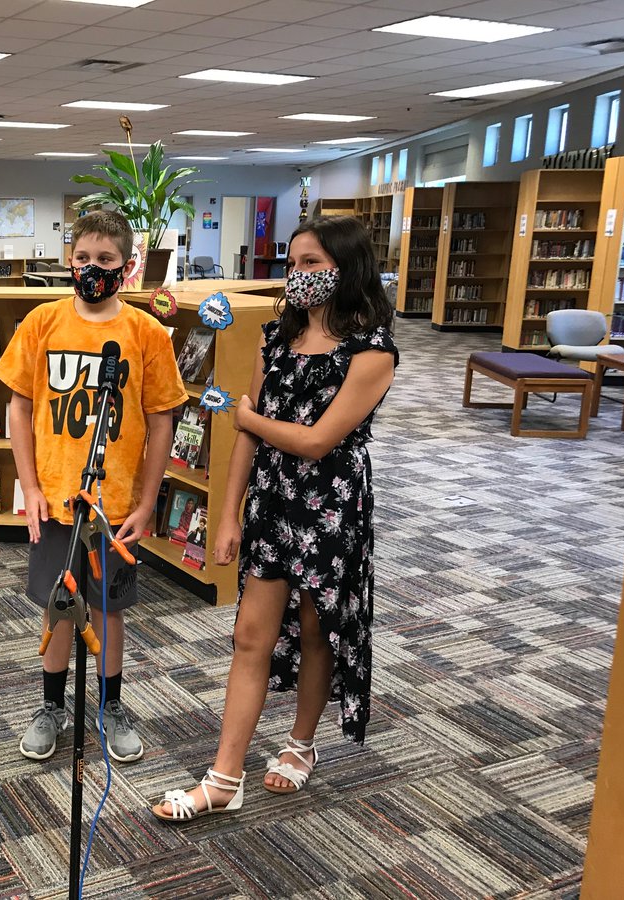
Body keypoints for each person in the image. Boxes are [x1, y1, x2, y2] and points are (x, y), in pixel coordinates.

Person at [152, 215, 398, 821]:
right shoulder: (273, 337)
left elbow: (316, 441)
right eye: (292, 264)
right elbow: (244, 443)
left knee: (317, 629)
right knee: (250, 635)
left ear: (346, 267)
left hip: (332, 505)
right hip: (271, 498)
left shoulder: (373, 352)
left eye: (311, 264)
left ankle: (301, 743)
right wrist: (227, 514)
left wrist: (250, 420)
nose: (298, 275)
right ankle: (223, 776)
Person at [0, 209, 186, 764]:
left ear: (126, 268)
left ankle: (110, 704)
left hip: (115, 504)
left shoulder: (145, 333)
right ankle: (52, 705)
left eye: (105, 260)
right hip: (55, 498)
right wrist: (29, 487)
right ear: (68, 260)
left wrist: (149, 501)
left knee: (108, 608)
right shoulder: (42, 322)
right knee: (59, 605)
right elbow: (20, 408)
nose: (91, 268)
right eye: (83, 258)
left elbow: (161, 423)